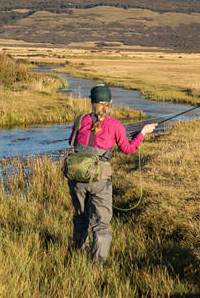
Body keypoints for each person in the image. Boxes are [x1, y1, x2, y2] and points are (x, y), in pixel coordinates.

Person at [67, 84, 157, 265]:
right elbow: (129, 149)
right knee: (101, 225)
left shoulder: (79, 120)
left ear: (91, 102)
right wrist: (142, 134)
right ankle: (96, 267)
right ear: (110, 102)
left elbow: (73, 143)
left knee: (80, 217)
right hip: (100, 180)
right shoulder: (115, 125)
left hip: (76, 177)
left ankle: (78, 255)